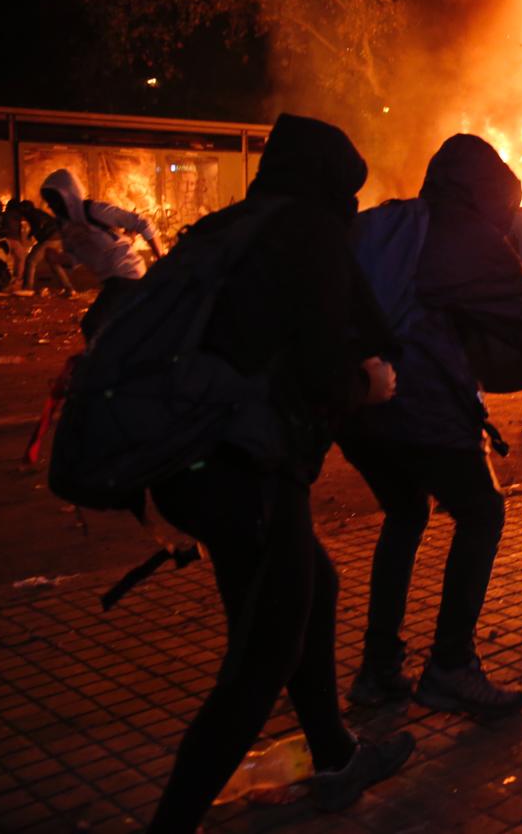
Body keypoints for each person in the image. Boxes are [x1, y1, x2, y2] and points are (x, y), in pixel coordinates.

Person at [144, 113, 413, 833]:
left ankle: (334, 758)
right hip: (251, 475)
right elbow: (331, 371)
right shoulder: (310, 236)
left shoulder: (229, 228)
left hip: (192, 465)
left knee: (310, 590)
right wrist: (371, 386)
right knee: (260, 664)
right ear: (334, 183)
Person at [339, 133, 522, 715]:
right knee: (482, 512)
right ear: (491, 194)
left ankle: (378, 669)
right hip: (423, 408)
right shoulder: (472, 238)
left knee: (406, 511)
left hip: (357, 408)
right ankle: (450, 666)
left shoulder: (389, 221)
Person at [38, 170, 164, 337]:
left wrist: (161, 257)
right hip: (112, 280)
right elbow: (75, 258)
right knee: (118, 326)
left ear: (67, 195)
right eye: (49, 202)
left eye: (54, 200)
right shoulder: (66, 226)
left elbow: (141, 223)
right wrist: (58, 258)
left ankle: (107, 360)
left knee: (93, 324)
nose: (51, 206)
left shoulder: (94, 210)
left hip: (126, 273)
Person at [14, 197, 75, 294]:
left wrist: (32, 233)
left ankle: (27, 288)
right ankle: (69, 288)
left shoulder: (32, 214)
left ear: (24, 209)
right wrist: (32, 233)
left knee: (31, 261)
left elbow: (39, 224)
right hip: (58, 239)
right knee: (54, 264)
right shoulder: (38, 213)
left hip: (49, 239)